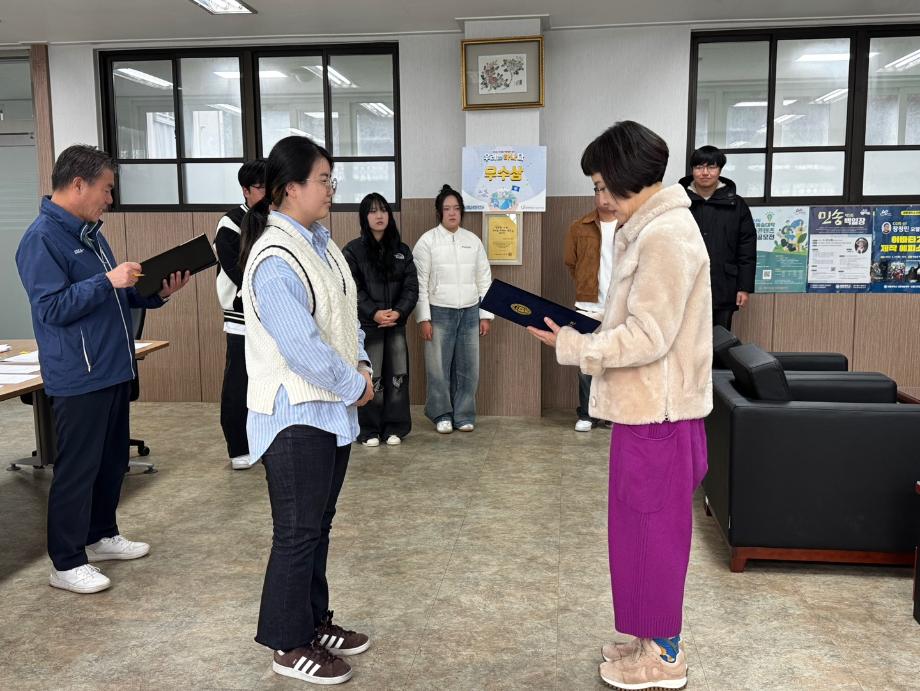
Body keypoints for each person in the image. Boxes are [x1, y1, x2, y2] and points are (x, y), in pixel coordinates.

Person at [528, 121, 712, 691]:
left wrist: (574, 347)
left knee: (656, 538)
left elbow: (648, 336)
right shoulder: (647, 227)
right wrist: (577, 333)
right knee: (635, 534)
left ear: (628, 177)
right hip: (644, 411)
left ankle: (666, 656)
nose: (601, 197)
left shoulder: (667, 235)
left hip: (660, 415)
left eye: (603, 185)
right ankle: (646, 638)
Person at [15, 144, 190, 594]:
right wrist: (106, 280)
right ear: (78, 184)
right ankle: (66, 561)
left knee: (112, 462)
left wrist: (156, 291)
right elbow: (51, 308)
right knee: (77, 469)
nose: (110, 200)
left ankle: (101, 535)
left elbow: (114, 296)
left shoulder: (91, 234)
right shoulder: (40, 239)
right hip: (79, 374)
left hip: (112, 367)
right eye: (106, 189)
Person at [239, 135, 373, 685]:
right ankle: (287, 643)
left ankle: (313, 621)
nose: (331, 189)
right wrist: (353, 384)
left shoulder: (322, 245)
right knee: (296, 533)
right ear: (290, 188)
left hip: (327, 411)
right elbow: (301, 347)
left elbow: (346, 318)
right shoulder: (274, 258)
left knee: (317, 525)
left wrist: (362, 365)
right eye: (323, 179)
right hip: (293, 415)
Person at [413, 184, 493, 434]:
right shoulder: (427, 241)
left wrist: (485, 315)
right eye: (447, 208)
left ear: (461, 212)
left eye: (456, 208)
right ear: (439, 212)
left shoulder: (473, 240)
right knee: (438, 368)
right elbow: (419, 283)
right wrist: (423, 318)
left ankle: (464, 415)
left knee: (469, 368)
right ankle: (441, 414)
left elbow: (484, 279)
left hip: (470, 312)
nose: (452, 213)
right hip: (439, 312)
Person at [343, 193, 418, 447]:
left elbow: (411, 287)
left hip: (395, 324)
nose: (379, 216)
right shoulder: (353, 250)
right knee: (371, 377)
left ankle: (395, 427)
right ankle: (368, 429)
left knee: (398, 376)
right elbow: (351, 288)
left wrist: (399, 312)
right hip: (368, 326)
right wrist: (373, 312)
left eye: (383, 210)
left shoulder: (402, 250)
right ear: (364, 217)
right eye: (373, 211)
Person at [214, 159, 265, 470]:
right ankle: (238, 447)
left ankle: (264, 441)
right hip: (242, 316)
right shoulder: (231, 223)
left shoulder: (276, 220)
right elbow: (237, 270)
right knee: (239, 383)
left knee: (267, 382)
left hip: (271, 318)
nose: (267, 193)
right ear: (246, 190)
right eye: (260, 187)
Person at [679, 145, 755, 331]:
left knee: (721, 339)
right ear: (692, 170)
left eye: (711, 167)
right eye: (699, 167)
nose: (705, 172)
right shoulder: (679, 202)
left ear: (720, 170)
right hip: (684, 286)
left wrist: (744, 287)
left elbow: (746, 248)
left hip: (724, 286)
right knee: (686, 339)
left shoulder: (736, 204)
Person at [564, 193, 618, 432]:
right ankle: (587, 413)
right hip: (588, 305)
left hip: (621, 305)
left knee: (617, 360)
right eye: (599, 190)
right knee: (587, 360)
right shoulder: (579, 226)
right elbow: (571, 262)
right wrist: (586, 285)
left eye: (610, 190)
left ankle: (612, 413)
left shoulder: (629, 224)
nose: (604, 197)